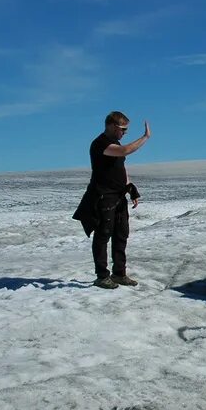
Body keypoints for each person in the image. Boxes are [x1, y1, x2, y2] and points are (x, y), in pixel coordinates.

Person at [74, 111, 151, 288]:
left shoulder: (115, 144)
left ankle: (119, 274)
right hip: (103, 197)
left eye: (126, 130)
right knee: (103, 235)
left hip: (118, 196)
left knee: (121, 235)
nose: (124, 133)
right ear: (111, 126)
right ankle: (102, 276)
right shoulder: (100, 144)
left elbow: (120, 168)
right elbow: (125, 151)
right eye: (123, 129)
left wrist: (131, 189)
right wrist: (145, 137)